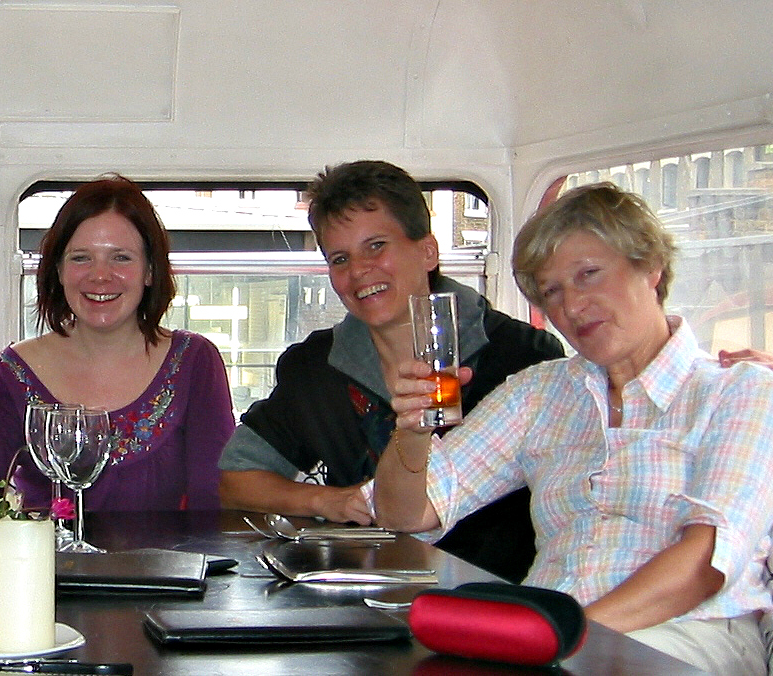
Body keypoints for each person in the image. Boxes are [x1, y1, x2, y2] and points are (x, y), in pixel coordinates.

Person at [374, 182, 773, 674]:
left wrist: (562, 635)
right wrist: (413, 431)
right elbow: (406, 513)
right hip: (548, 632)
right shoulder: (539, 393)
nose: (570, 306)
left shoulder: (739, 391)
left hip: (687, 634)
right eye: (552, 292)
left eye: (588, 275)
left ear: (650, 266)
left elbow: (704, 564)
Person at [218, 160, 564, 581]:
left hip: (489, 599)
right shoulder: (313, 368)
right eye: (339, 258)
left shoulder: (522, 358)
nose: (358, 271)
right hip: (355, 596)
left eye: (376, 246)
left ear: (428, 251)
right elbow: (235, 480)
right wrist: (328, 501)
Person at [0, 176, 235, 511]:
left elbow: (215, 499)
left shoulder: (193, 363)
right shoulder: (9, 375)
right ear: (57, 270)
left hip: (163, 563)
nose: (100, 276)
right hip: (42, 564)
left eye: (121, 258)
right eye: (81, 258)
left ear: (149, 271)